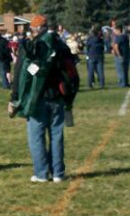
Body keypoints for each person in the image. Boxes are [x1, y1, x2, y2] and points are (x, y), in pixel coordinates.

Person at [9, 15, 79, 183]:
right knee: (56, 135)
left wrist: (14, 98)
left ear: (34, 29)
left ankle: (41, 173)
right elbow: (71, 72)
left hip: (37, 98)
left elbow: (20, 73)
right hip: (58, 96)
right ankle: (58, 173)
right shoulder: (61, 45)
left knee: (36, 136)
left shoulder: (30, 46)